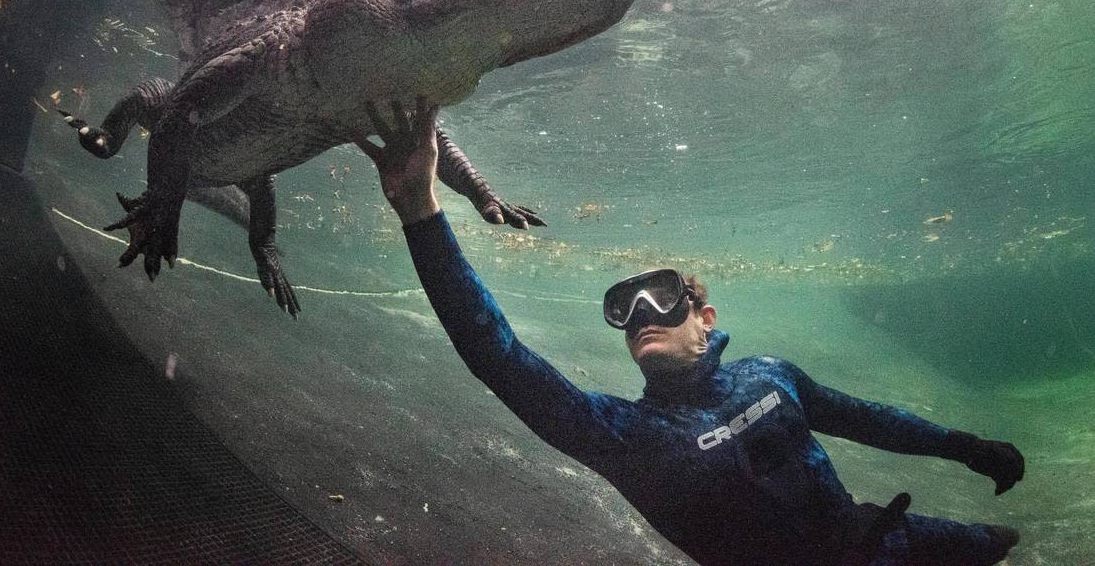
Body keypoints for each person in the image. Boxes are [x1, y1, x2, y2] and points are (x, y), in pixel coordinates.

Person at [354, 98, 1025, 566]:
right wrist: (420, 210)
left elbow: (862, 417)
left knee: (1003, 543)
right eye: (626, 306)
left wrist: (965, 446)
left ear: (706, 318)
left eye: (663, 296)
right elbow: (498, 356)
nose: (644, 311)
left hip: (887, 536)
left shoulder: (769, 373)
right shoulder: (623, 437)